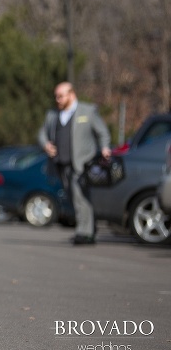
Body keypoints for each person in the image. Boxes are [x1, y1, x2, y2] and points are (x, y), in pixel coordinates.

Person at [38, 82, 111, 245]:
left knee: (81, 197)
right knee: (72, 196)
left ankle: (85, 232)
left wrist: (105, 148)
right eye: (56, 96)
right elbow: (42, 133)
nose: (58, 99)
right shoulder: (53, 115)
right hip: (61, 164)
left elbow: (103, 133)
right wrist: (45, 144)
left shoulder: (87, 111)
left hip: (83, 163)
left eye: (61, 96)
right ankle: (88, 227)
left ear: (71, 94)